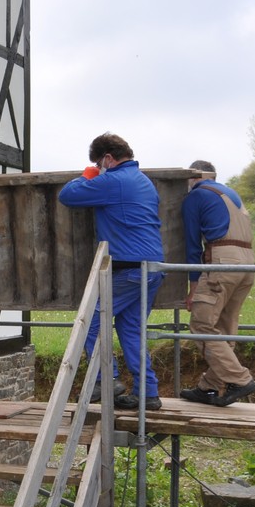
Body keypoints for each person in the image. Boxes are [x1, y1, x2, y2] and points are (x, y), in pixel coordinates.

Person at [58, 133, 165, 410]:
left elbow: (67, 195)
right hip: (152, 268)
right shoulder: (143, 181)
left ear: (107, 158)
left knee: (90, 322)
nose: (98, 167)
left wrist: (89, 173)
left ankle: (107, 379)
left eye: (99, 162)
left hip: (129, 268)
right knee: (131, 329)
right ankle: (147, 393)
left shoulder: (113, 180)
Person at [179, 160, 255, 406]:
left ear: (192, 177)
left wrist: (193, 286)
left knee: (202, 325)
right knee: (225, 327)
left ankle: (240, 379)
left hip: (222, 262)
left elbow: (192, 244)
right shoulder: (230, 193)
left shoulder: (196, 196)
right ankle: (209, 387)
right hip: (248, 263)